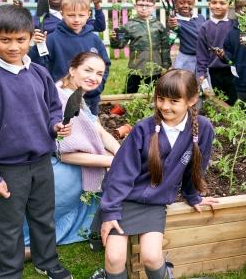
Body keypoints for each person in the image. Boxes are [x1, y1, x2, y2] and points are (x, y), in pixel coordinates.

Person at [0, 52, 120, 261]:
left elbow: (99, 131)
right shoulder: (60, 98)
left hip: (67, 170)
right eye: (88, 70)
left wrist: (122, 155)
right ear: (72, 70)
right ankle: (18, 250)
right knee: (33, 221)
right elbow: (66, 153)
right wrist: (112, 161)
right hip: (59, 172)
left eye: (99, 73)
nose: (94, 77)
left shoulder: (76, 96)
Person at [0, 5, 72, 279]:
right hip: (8, 169)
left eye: (20, 40)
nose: (13, 47)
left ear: (30, 37)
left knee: (44, 217)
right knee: (9, 225)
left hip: (42, 163)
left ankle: (46, 261)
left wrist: (55, 125)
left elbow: (53, 108)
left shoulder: (39, 73)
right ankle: (9, 271)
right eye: (5, 40)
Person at [90, 69, 218, 279]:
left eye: (174, 101)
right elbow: (120, 173)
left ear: (192, 100)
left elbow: (196, 168)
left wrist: (193, 196)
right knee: (114, 258)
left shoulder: (202, 129)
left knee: (151, 256)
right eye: (160, 99)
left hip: (155, 203)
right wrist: (110, 211)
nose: (165, 106)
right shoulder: (143, 129)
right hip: (123, 200)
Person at [29, 0, 111, 115]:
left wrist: (96, 88)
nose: (76, 19)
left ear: (88, 15)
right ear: (62, 14)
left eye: (81, 15)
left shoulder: (95, 40)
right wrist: (37, 47)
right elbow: (37, 66)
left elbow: (105, 65)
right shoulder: (52, 40)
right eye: (71, 15)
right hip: (61, 98)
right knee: (65, 130)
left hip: (90, 98)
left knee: (90, 129)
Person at [110, 0, 171, 94]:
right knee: (130, 92)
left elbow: (165, 47)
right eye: (140, 5)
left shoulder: (159, 26)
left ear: (154, 7)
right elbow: (119, 45)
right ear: (135, 6)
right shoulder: (129, 25)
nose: (144, 8)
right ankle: (127, 109)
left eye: (148, 5)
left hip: (155, 68)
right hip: (136, 67)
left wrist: (165, 65)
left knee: (154, 92)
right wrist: (115, 38)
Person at [196, 0, 237, 105]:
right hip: (215, 71)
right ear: (209, 4)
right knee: (221, 102)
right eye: (214, 2)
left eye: (222, 3)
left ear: (230, 5)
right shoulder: (205, 27)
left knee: (235, 101)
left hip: (233, 70)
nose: (217, 6)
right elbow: (201, 52)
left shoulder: (234, 24)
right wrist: (201, 72)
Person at [167, 0, 206, 73]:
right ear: (175, 4)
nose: (186, 5)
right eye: (181, 3)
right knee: (184, 82)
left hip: (202, 58)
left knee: (202, 83)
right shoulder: (176, 21)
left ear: (194, 4)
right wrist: (172, 27)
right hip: (185, 58)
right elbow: (171, 37)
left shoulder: (200, 18)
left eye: (189, 3)